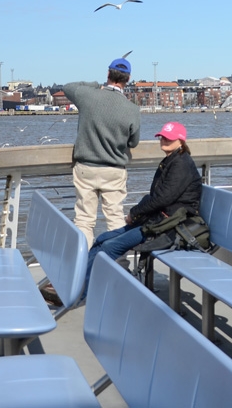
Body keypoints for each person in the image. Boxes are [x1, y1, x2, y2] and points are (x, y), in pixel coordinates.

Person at [81, 121, 202, 299]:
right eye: (162, 137)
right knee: (102, 238)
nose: (164, 140)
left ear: (181, 141)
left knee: (109, 246)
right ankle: (80, 284)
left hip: (170, 227)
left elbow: (162, 199)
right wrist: (138, 213)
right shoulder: (171, 160)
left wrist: (135, 213)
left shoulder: (181, 164)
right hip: (157, 220)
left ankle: (85, 293)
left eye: (169, 138)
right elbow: (157, 197)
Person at [63, 57, 141, 247]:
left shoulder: (87, 96)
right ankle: (117, 261)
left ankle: (83, 260)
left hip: (86, 168)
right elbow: (133, 142)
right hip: (114, 170)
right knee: (115, 218)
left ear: (108, 74)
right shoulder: (132, 109)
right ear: (128, 79)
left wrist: (96, 85)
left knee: (84, 219)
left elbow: (67, 87)